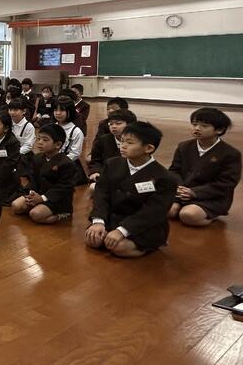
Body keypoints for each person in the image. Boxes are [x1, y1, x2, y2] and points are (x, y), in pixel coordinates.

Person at [85, 122, 177, 258]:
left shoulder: (164, 177)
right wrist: (98, 221)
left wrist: (123, 231)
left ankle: (154, 243)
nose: (123, 146)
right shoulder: (112, 164)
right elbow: (101, 193)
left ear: (148, 148)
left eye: (129, 143)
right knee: (93, 240)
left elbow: (153, 211)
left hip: (143, 225)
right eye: (122, 141)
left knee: (119, 248)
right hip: (113, 218)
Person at [168, 108, 242, 227]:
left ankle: (209, 214)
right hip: (182, 193)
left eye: (204, 126)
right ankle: (182, 207)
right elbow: (174, 170)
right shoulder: (184, 146)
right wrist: (179, 188)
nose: (197, 128)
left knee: (188, 215)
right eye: (194, 124)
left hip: (211, 197)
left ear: (219, 130)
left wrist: (195, 192)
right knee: (168, 210)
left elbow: (227, 182)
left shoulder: (230, 153)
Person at [11, 124, 76, 224]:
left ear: (58, 145)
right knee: (16, 206)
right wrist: (32, 194)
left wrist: (42, 198)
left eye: (45, 140)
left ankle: (62, 214)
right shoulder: (37, 158)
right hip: (38, 194)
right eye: (39, 139)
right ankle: (38, 206)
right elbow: (32, 178)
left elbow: (63, 188)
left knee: (36, 215)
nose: (40, 142)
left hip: (56, 199)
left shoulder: (67, 163)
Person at [88, 109, 137, 189]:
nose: (113, 126)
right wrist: (95, 171)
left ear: (129, 124)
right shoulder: (103, 140)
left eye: (118, 123)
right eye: (111, 124)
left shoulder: (137, 142)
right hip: (107, 176)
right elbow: (96, 160)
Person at [54, 98, 89, 186]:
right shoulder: (52, 127)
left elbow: (75, 153)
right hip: (52, 160)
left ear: (70, 112)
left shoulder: (76, 131)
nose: (58, 113)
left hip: (68, 163)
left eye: (62, 110)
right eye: (55, 110)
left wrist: (59, 163)